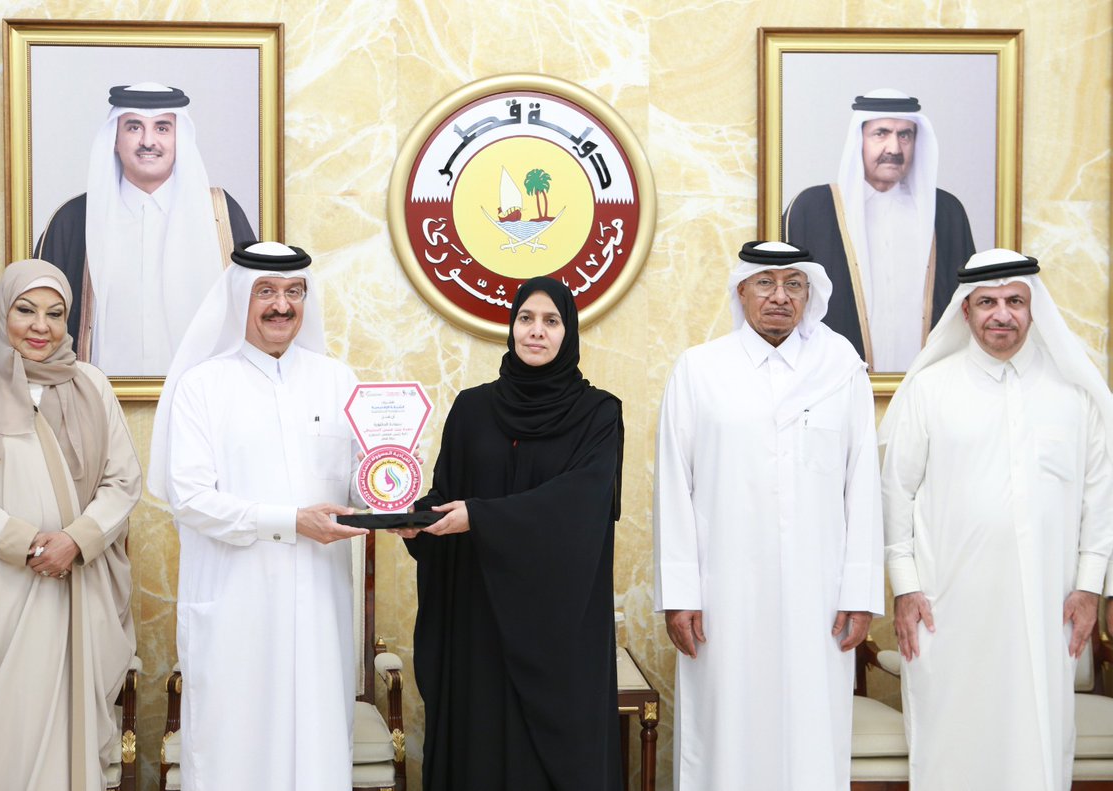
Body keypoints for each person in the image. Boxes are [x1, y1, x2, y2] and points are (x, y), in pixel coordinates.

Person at [654, 241, 884, 791]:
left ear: (809, 294)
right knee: (726, 730)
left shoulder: (842, 370)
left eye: (794, 285)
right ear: (742, 291)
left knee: (812, 731)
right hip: (724, 596)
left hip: (819, 599)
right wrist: (681, 594)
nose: (780, 297)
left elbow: (863, 490)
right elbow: (673, 488)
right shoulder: (699, 371)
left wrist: (860, 593)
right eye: (765, 283)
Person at [881, 248, 1113, 790]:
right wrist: (905, 588)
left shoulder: (1075, 395)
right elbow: (895, 495)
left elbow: (1100, 497)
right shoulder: (929, 390)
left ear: (1034, 310)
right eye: (986, 302)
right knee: (951, 739)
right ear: (965, 311)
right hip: (946, 608)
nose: (1001, 314)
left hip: (1047, 606)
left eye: (1014, 301)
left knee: (1036, 738)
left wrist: (1088, 588)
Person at [149, 241, 369, 790]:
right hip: (236, 608)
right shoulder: (202, 386)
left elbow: (362, 483)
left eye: (294, 292)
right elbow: (192, 498)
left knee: (318, 744)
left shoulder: (338, 381)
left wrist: (393, 500)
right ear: (239, 298)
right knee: (234, 748)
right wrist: (290, 521)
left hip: (319, 606)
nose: (281, 305)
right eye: (266, 292)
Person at [0, 259, 140, 790]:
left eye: (56, 314)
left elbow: (123, 481)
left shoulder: (91, 384)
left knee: (67, 735)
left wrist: (76, 542)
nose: (41, 326)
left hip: (75, 589)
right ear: (2, 312)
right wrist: (26, 545)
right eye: (26, 310)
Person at [399, 276, 623, 790]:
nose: (536, 332)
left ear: (569, 332)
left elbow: (580, 504)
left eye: (550, 321)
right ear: (511, 326)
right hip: (478, 620)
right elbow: (444, 494)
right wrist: (413, 517)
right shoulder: (472, 409)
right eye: (526, 319)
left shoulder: (598, 414)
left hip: (558, 628)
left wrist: (480, 517)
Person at [35, 82, 256, 375]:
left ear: (181, 139)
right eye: (134, 127)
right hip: (96, 408)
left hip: (203, 410)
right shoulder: (73, 220)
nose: (148, 141)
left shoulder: (221, 214)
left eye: (162, 128)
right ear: (115, 138)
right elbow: (36, 321)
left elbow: (256, 309)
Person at [783, 89, 976, 372]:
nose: (894, 149)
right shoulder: (812, 208)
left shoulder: (946, 212)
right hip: (831, 382)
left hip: (930, 383)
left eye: (905, 135)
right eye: (881, 133)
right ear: (858, 140)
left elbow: (969, 303)